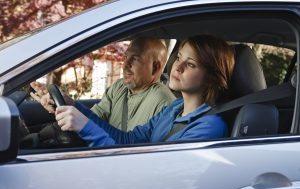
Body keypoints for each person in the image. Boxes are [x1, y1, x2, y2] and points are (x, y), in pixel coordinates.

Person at [52, 34, 235, 147]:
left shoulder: (209, 127)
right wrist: (75, 108)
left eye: (191, 64)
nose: (177, 67)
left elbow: (154, 172)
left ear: (212, 77)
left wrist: (85, 127)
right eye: (178, 58)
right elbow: (127, 141)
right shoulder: (174, 109)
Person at [28, 37, 175, 147]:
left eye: (135, 59)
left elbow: (135, 149)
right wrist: (66, 106)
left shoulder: (163, 102)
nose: (125, 64)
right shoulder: (119, 87)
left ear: (155, 67)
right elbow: (95, 119)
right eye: (125, 57)